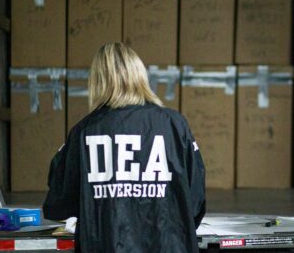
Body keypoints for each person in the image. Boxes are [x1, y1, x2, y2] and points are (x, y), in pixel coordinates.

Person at [43, 42, 206, 252]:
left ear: (97, 82)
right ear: (140, 76)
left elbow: (58, 204)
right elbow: (195, 200)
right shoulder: (175, 125)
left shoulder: (83, 132)